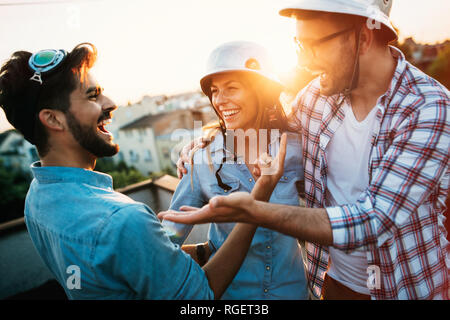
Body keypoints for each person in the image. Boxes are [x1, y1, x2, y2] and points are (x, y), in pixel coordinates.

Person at [167, 0, 449, 300]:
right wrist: (205, 140)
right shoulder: (315, 99)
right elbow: (264, 127)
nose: (303, 61)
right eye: (298, 45)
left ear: (363, 38)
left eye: (313, 45)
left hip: (407, 287)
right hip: (330, 285)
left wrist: (256, 210)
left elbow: (374, 221)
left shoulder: (428, 107)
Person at [0, 42, 287, 299]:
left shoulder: (36, 199)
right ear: (52, 119)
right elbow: (199, 289)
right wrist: (254, 205)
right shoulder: (124, 218)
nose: (111, 103)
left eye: (232, 87)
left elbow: (139, 253)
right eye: (92, 96)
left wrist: (200, 250)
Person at [162, 41, 308, 300]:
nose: (220, 100)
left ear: (260, 92)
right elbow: (167, 240)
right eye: (215, 91)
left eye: (232, 88)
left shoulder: (296, 149)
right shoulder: (203, 160)